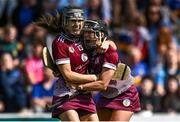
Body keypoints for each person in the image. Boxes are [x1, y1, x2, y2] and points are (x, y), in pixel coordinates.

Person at [68, 20, 141, 121]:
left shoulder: (109, 52)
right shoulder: (87, 51)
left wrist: (80, 87)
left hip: (124, 93)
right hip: (107, 95)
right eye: (86, 32)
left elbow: (102, 84)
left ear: (101, 34)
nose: (87, 36)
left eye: (91, 33)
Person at [35, 6, 98, 121]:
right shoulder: (60, 43)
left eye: (80, 21)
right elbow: (68, 75)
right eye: (73, 21)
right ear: (65, 23)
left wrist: (108, 43)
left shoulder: (86, 37)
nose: (77, 24)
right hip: (66, 95)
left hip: (84, 95)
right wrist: (94, 78)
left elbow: (105, 39)